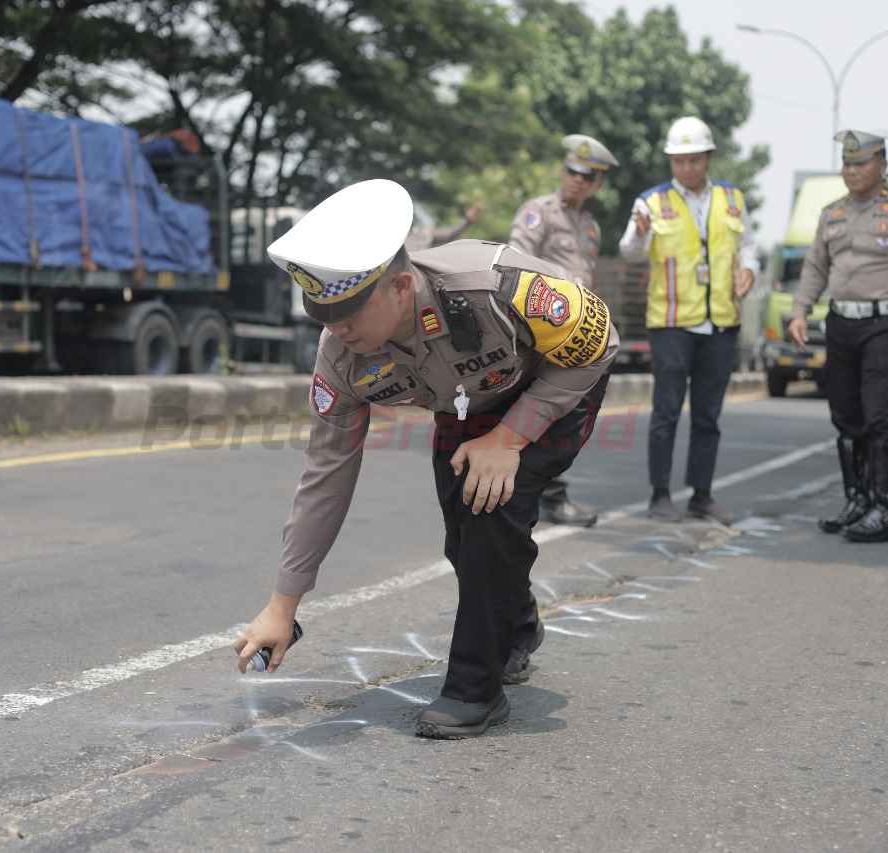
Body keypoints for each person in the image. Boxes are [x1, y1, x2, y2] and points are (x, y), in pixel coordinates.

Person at [234, 179, 619, 739]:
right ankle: (516, 630)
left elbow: (598, 341)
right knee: (462, 540)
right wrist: (282, 604)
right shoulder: (340, 357)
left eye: (348, 313)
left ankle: (473, 691)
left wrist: (510, 438)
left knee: (489, 516)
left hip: (555, 387)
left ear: (402, 286)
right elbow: (325, 475)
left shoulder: (495, 289)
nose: (335, 329)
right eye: (323, 314)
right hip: (468, 407)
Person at [788, 129, 888, 543]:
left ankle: (883, 510)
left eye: (860, 163)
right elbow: (815, 268)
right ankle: (856, 499)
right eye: (846, 163)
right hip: (841, 324)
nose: (851, 171)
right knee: (846, 418)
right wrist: (800, 310)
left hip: (886, 327)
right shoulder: (831, 213)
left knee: (879, 418)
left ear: (882, 165)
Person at [618, 116, 758, 525]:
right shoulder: (651, 202)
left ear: (709, 158)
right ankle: (660, 495)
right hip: (672, 323)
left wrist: (749, 267)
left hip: (721, 322)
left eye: (695, 161)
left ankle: (702, 494)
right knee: (665, 411)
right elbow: (630, 251)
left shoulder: (732, 198)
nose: (687, 169)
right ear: (670, 163)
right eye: (679, 162)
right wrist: (641, 233)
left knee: (708, 415)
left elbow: (747, 246)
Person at [508, 133, 619, 527]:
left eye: (587, 177)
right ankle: (541, 496)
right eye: (573, 171)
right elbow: (514, 262)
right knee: (540, 411)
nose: (577, 180)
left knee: (565, 417)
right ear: (563, 170)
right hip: (539, 329)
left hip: (574, 335)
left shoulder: (590, 227)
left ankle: (544, 493)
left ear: (597, 184)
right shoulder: (538, 212)